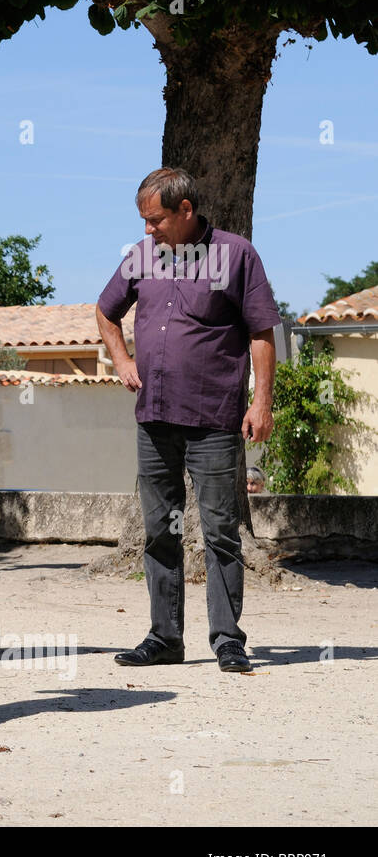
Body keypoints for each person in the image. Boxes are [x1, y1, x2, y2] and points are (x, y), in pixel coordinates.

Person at [97, 167, 280, 674]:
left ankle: (227, 640)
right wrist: (121, 360)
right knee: (160, 529)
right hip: (154, 416)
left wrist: (260, 402)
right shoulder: (141, 256)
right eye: (143, 221)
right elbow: (105, 310)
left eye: (155, 220)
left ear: (185, 210)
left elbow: (262, 332)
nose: (148, 229)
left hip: (214, 418)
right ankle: (165, 637)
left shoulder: (237, 255)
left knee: (220, 530)